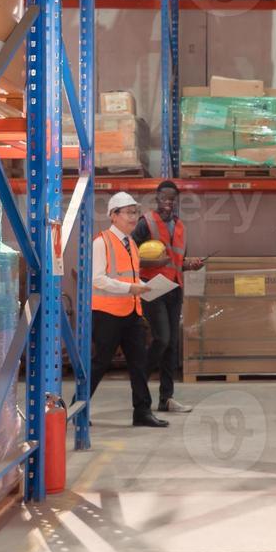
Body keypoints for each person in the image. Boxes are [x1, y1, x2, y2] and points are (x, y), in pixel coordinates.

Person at [89, 191, 164, 428]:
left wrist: (144, 287)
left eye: (136, 212)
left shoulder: (131, 243)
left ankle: (142, 412)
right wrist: (130, 288)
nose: (134, 217)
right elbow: (97, 279)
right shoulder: (101, 242)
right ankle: (77, 407)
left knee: (139, 364)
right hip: (107, 314)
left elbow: (129, 277)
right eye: (129, 213)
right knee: (100, 363)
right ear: (113, 215)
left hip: (132, 312)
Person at [132, 180, 205, 414]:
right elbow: (129, 256)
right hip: (152, 288)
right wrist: (154, 262)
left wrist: (189, 265)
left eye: (172, 199)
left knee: (172, 344)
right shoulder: (146, 223)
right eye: (164, 198)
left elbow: (177, 261)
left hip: (174, 288)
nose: (168, 202)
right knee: (162, 339)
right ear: (157, 197)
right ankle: (139, 379)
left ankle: (167, 398)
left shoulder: (181, 226)